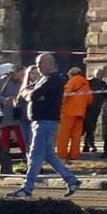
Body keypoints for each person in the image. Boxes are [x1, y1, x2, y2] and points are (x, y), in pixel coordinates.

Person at [10, 55, 81, 197]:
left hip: (45, 121)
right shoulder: (43, 79)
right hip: (39, 121)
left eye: (39, 63)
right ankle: (71, 179)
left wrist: (27, 93)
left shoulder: (53, 79)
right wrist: (32, 94)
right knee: (48, 155)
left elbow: (33, 95)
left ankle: (27, 188)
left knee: (35, 154)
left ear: (49, 63)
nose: (37, 67)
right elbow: (35, 95)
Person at [58, 64, 92, 161]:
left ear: (72, 74)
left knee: (64, 135)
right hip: (81, 113)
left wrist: (61, 104)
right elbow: (90, 100)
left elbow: (65, 94)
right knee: (76, 135)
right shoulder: (86, 84)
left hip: (68, 112)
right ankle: (74, 154)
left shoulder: (73, 81)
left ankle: (61, 154)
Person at [0, 71, 27, 157]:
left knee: (21, 136)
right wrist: (3, 99)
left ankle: (27, 157)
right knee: (5, 136)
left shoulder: (26, 81)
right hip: (7, 112)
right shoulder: (5, 81)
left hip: (21, 112)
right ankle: (4, 160)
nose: (19, 75)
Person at [85, 67, 107, 157]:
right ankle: (91, 145)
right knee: (89, 126)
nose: (100, 75)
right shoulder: (89, 82)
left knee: (91, 126)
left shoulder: (104, 83)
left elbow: (106, 94)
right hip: (88, 107)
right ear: (94, 74)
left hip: (97, 107)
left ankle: (86, 145)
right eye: (98, 73)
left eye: (101, 73)